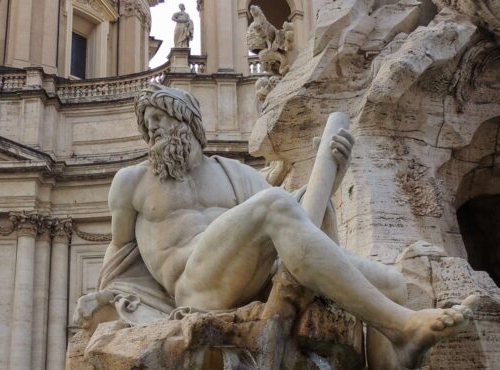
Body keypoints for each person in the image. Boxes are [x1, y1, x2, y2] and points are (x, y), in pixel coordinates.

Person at [82, 84, 477, 369]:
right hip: (194, 286)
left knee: (392, 284)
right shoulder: (132, 181)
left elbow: (296, 221)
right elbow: (120, 257)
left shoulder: (234, 172)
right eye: (147, 125)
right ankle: (402, 325)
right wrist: (114, 305)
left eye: (158, 119)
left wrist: (330, 182)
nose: (152, 131)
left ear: (187, 121)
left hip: (254, 277)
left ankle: (398, 351)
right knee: (273, 203)